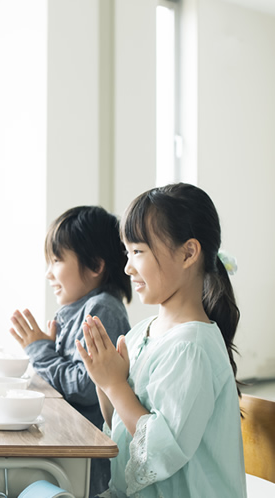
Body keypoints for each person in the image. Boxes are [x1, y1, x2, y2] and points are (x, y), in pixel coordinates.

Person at [77, 183, 246, 497]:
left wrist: (115, 385)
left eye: (138, 251)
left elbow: (159, 452)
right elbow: (123, 428)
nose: (128, 267)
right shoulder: (143, 332)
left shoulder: (192, 348)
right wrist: (104, 381)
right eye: (127, 252)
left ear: (188, 253)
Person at [9, 205, 132, 496]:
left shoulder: (101, 309)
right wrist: (48, 349)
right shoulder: (81, 309)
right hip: (71, 451)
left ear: (95, 266)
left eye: (57, 261)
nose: (49, 274)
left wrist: (40, 350)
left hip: (86, 465)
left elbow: (85, 386)